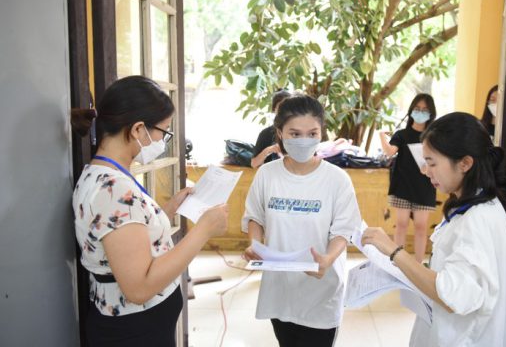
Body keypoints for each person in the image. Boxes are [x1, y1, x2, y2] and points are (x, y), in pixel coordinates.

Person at [71, 76, 229, 347]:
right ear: (138, 129)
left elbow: (127, 235)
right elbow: (139, 288)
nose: (162, 140)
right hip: (135, 330)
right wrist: (204, 230)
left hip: (134, 324)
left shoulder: (101, 173)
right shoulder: (114, 190)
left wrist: (168, 209)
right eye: (163, 131)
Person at [362, 112, 506, 347]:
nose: (426, 171)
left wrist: (395, 252)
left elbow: (453, 296)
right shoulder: (473, 206)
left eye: (432, 163)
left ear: (465, 163)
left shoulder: (477, 219)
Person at [242, 94, 361, 347]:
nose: (304, 140)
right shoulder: (267, 175)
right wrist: (255, 244)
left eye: (312, 133)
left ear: (321, 133)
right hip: (280, 289)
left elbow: (343, 230)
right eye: (295, 134)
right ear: (280, 133)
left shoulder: (337, 179)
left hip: (321, 291)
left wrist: (327, 259)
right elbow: (255, 217)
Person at [379, 93, 437, 264]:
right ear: (411, 110)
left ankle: (418, 264)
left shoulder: (433, 137)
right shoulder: (402, 134)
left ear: (431, 113)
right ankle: (399, 263)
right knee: (401, 224)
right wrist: (382, 136)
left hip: (425, 186)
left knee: (421, 227)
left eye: (425, 110)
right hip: (403, 185)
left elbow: (439, 159)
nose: (420, 112)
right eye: (417, 108)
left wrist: (430, 167)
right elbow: (389, 151)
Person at [251, 89, 291, 168]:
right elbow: (254, 164)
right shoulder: (266, 133)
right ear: (274, 109)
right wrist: (270, 149)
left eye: (288, 107)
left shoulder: (299, 132)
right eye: (280, 107)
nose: (284, 111)